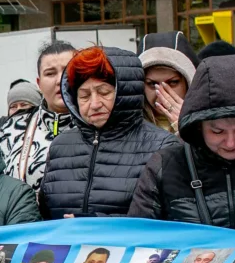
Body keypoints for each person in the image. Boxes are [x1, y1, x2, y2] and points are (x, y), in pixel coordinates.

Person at [39, 46, 178, 218]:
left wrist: (94, 224)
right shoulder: (60, 146)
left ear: (126, 93)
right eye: (84, 96)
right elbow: (46, 215)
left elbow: (171, 220)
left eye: (104, 92)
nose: (94, 103)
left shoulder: (163, 147)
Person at [131, 54, 235, 228]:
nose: (231, 143)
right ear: (199, 126)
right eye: (217, 131)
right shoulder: (165, 167)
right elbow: (139, 235)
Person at [0, 41, 77, 190]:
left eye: (68, 71)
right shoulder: (12, 129)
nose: (59, 80)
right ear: (39, 83)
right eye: (50, 73)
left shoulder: (97, 127)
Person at [140, 44, 196, 133]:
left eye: (173, 82)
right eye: (152, 84)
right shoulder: (129, 124)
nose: (162, 93)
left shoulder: (205, 122)